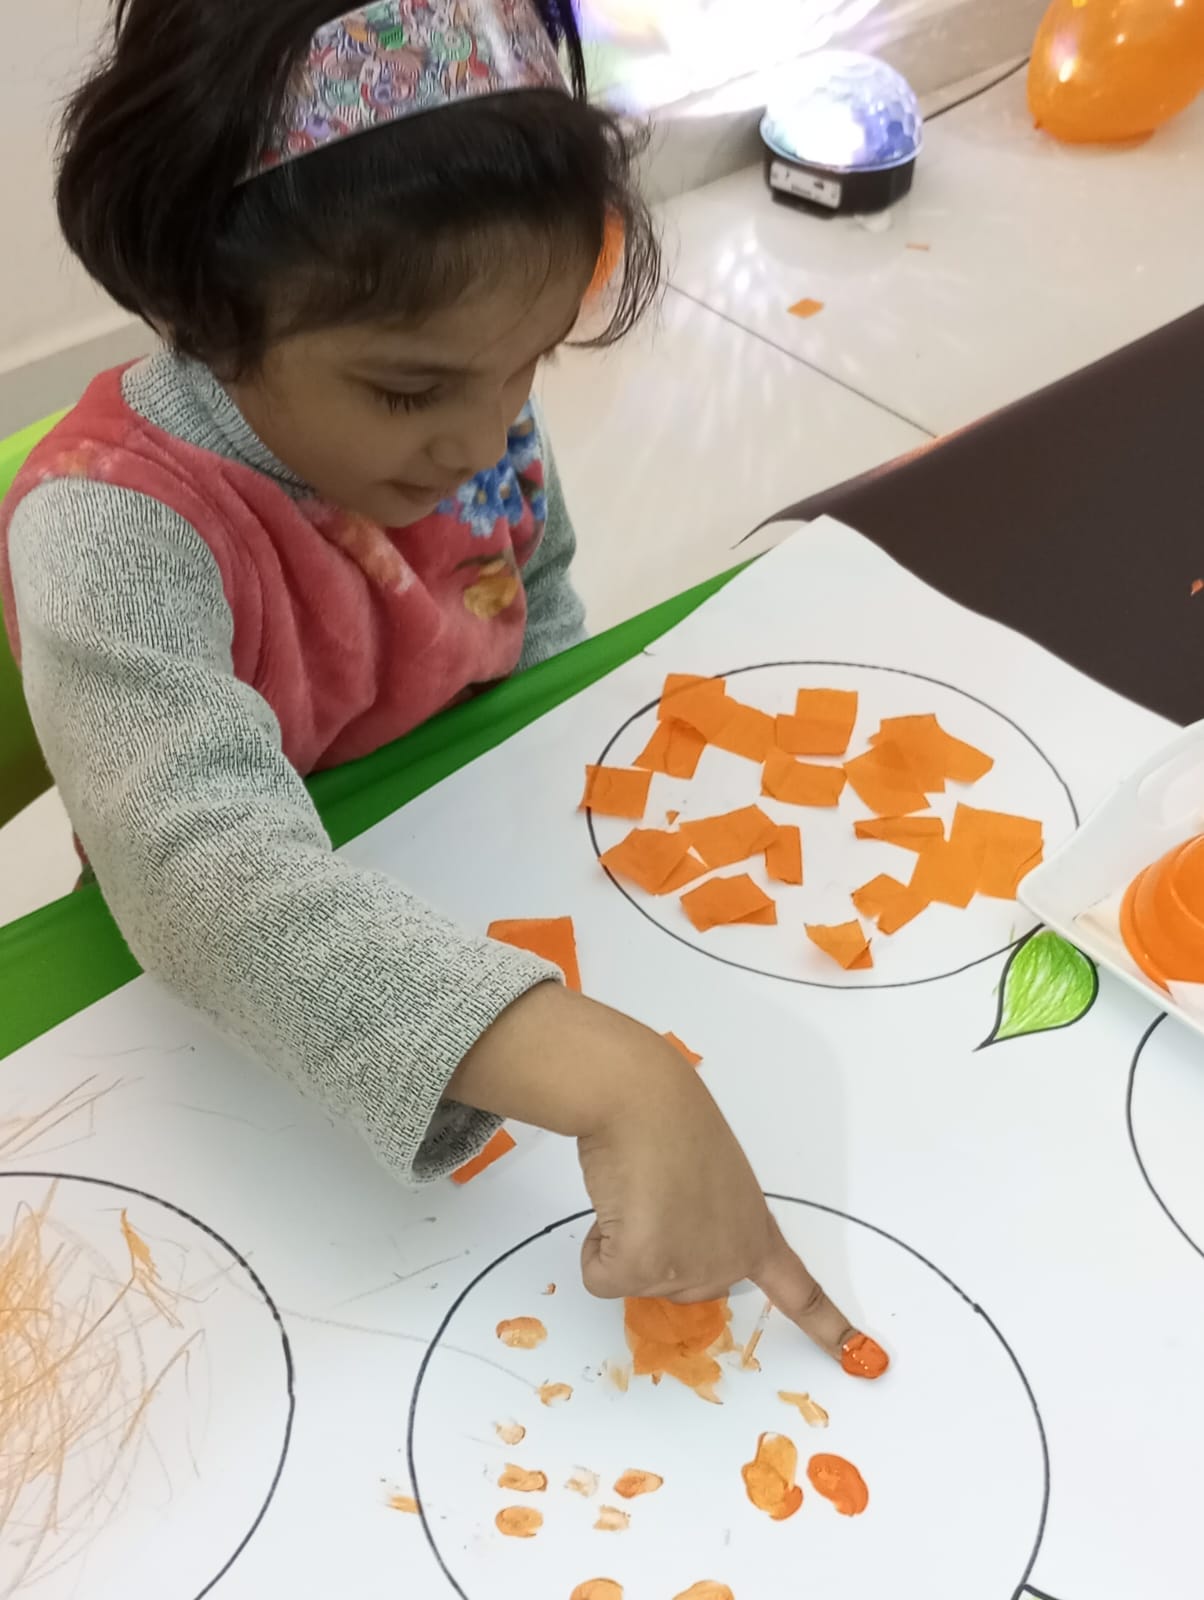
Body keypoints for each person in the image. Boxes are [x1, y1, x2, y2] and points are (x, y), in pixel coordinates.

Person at [0, 0, 873, 1367]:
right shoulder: (114, 524)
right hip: (212, 986)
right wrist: (604, 1069)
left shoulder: (468, 408)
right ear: (203, 308)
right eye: (410, 392)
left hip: (465, 881)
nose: (480, 438)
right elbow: (198, 877)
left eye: (525, 365)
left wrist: (562, 808)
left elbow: (541, 609)